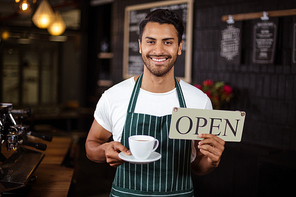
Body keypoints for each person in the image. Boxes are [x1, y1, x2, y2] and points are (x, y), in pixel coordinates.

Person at [85, 9, 225, 197]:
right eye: (151, 41)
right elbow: (91, 145)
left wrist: (211, 161)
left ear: (179, 47)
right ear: (140, 46)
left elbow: (198, 165)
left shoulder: (198, 101)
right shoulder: (114, 96)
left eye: (168, 42)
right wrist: (103, 151)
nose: (158, 50)